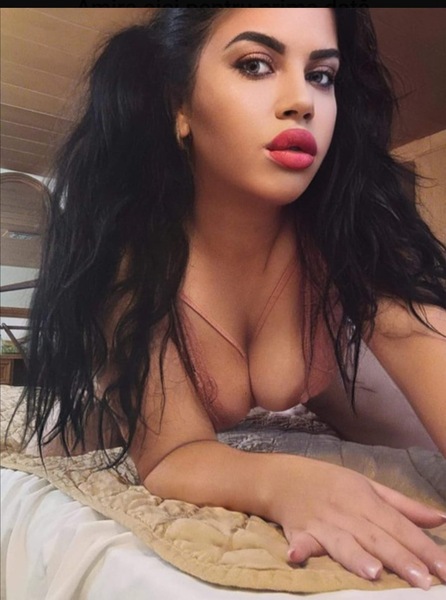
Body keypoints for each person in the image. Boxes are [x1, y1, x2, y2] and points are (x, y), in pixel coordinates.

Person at [14, 7, 446, 590]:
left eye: (321, 75)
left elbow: (420, 336)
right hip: (128, 399)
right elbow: (171, 456)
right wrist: (287, 483)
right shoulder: (131, 260)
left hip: (326, 377)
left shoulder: (348, 229)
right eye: (256, 65)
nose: (302, 101)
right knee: (97, 433)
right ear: (180, 105)